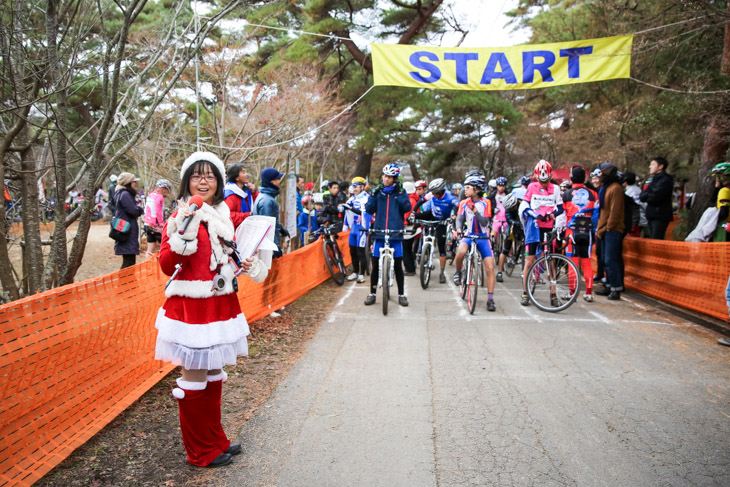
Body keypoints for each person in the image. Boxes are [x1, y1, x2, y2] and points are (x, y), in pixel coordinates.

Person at [155, 151, 267, 469]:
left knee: (214, 374)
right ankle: (199, 450)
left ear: (218, 183)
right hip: (192, 312)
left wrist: (242, 263)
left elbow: (218, 266)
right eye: (196, 175)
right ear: (186, 181)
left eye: (210, 176)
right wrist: (183, 231)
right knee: (194, 379)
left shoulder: (220, 219)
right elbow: (167, 265)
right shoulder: (179, 217)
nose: (203, 181)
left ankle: (215, 438)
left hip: (220, 306)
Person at [364, 164, 412, 307]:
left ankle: (401, 294)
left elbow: (407, 208)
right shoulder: (377, 192)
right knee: (375, 264)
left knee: (398, 264)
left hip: (395, 233)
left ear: (394, 179)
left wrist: (402, 194)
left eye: (389, 177)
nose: (386, 179)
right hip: (379, 233)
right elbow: (369, 209)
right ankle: (372, 293)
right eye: (384, 176)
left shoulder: (400, 192)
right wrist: (373, 195)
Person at [518, 160, 564, 306]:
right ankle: (525, 293)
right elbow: (524, 204)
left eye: (546, 181)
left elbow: (561, 207)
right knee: (529, 260)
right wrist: (533, 213)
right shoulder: (531, 187)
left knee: (550, 260)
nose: (544, 184)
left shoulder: (556, 189)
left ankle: (553, 294)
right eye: (541, 181)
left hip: (548, 227)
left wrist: (552, 214)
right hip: (534, 226)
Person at [453, 175, 497, 311]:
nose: (464, 190)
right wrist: (458, 229)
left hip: (483, 237)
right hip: (469, 234)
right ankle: (458, 272)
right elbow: (459, 218)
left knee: (490, 267)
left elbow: (485, 222)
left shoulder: (486, 203)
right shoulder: (463, 202)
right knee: (460, 252)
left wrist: (475, 211)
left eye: (468, 187)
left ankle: (490, 299)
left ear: (477, 189)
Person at [562, 166, 599, 302]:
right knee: (586, 262)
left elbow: (563, 214)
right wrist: (593, 230)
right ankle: (589, 292)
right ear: (584, 178)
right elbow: (596, 216)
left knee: (572, 262)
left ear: (571, 178)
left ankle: (572, 292)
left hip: (571, 231)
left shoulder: (566, 194)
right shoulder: (593, 194)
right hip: (588, 231)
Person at [419, 178, 459, 284]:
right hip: (432, 216)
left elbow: (458, 206)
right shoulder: (431, 195)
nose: (433, 194)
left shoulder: (450, 197)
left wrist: (455, 215)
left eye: (435, 192)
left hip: (442, 221)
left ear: (440, 191)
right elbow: (421, 201)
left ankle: (441, 273)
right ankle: (423, 253)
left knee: (442, 248)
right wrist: (413, 213)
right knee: (418, 219)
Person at [595, 162, 625, 300]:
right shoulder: (605, 188)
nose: (599, 176)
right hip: (602, 229)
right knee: (603, 259)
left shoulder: (616, 189)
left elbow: (615, 212)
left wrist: (608, 227)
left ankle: (616, 287)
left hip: (611, 230)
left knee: (610, 259)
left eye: (601, 173)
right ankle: (608, 285)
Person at [253, 167, 290, 258]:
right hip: (267, 249)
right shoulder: (267, 201)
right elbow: (268, 226)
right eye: (278, 179)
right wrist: (274, 247)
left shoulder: (264, 197)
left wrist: (280, 228)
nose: (280, 181)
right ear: (271, 182)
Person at [112, 172, 144, 269]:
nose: (135, 184)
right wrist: (140, 209)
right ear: (128, 183)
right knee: (128, 264)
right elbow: (133, 210)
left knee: (129, 262)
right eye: (134, 182)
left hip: (125, 231)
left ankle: (127, 282)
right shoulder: (125, 194)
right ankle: (124, 283)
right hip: (127, 232)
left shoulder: (120, 193)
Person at [343, 177, 370, 283]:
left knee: (361, 252)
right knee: (352, 251)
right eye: (353, 187)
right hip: (353, 227)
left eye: (356, 187)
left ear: (362, 187)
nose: (354, 189)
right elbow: (347, 213)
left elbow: (365, 213)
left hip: (362, 228)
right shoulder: (352, 199)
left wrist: (351, 209)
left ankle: (361, 274)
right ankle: (355, 271)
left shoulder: (367, 198)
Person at [640, 157, 674, 239]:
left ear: (660, 166)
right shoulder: (653, 180)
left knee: (656, 239)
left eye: (652, 164)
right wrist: (648, 194)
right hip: (651, 215)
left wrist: (648, 195)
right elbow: (642, 196)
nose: (650, 167)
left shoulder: (665, 180)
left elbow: (655, 197)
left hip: (660, 215)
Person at [223, 163, 258, 230]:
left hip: (247, 229)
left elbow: (257, 205)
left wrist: (254, 193)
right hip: (235, 232)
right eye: (243, 172)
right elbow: (229, 216)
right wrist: (248, 215)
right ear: (236, 177)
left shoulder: (247, 191)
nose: (246, 174)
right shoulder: (230, 194)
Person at [143, 179, 172, 255]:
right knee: (163, 248)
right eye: (167, 190)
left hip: (147, 224)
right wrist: (162, 224)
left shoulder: (150, 195)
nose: (167, 192)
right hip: (156, 226)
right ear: (163, 188)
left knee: (150, 249)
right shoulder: (159, 197)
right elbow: (158, 212)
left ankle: (148, 265)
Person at [492, 176, 508, 282]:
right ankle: (494, 247)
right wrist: (493, 209)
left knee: (507, 236)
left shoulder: (508, 195)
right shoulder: (492, 196)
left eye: (503, 186)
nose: (501, 188)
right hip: (496, 220)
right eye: (499, 186)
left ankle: (509, 253)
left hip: (505, 219)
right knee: (493, 236)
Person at [402, 181, 418, 275]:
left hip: (408, 227)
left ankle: (409, 269)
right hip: (412, 227)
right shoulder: (414, 199)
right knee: (409, 249)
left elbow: (407, 215)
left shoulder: (410, 200)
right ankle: (411, 267)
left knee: (405, 249)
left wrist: (403, 223)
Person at [622, 172, 644, 237]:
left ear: (625, 182)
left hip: (635, 220)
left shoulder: (630, 192)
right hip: (637, 218)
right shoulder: (636, 189)